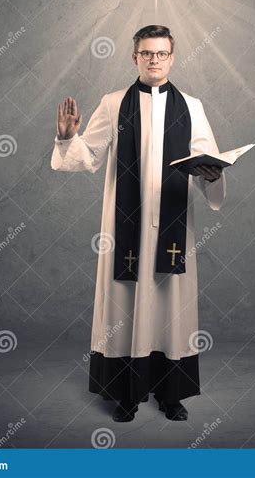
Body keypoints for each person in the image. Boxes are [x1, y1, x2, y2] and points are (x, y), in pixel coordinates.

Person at [51, 25, 225, 422]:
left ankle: (170, 393)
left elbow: (206, 161)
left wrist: (213, 175)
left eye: (162, 54)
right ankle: (126, 393)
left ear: (172, 57)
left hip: (172, 228)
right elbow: (88, 156)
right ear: (135, 58)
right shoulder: (114, 104)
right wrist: (66, 139)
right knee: (125, 306)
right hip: (124, 230)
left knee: (171, 307)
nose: (154, 60)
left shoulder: (192, 106)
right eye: (147, 53)